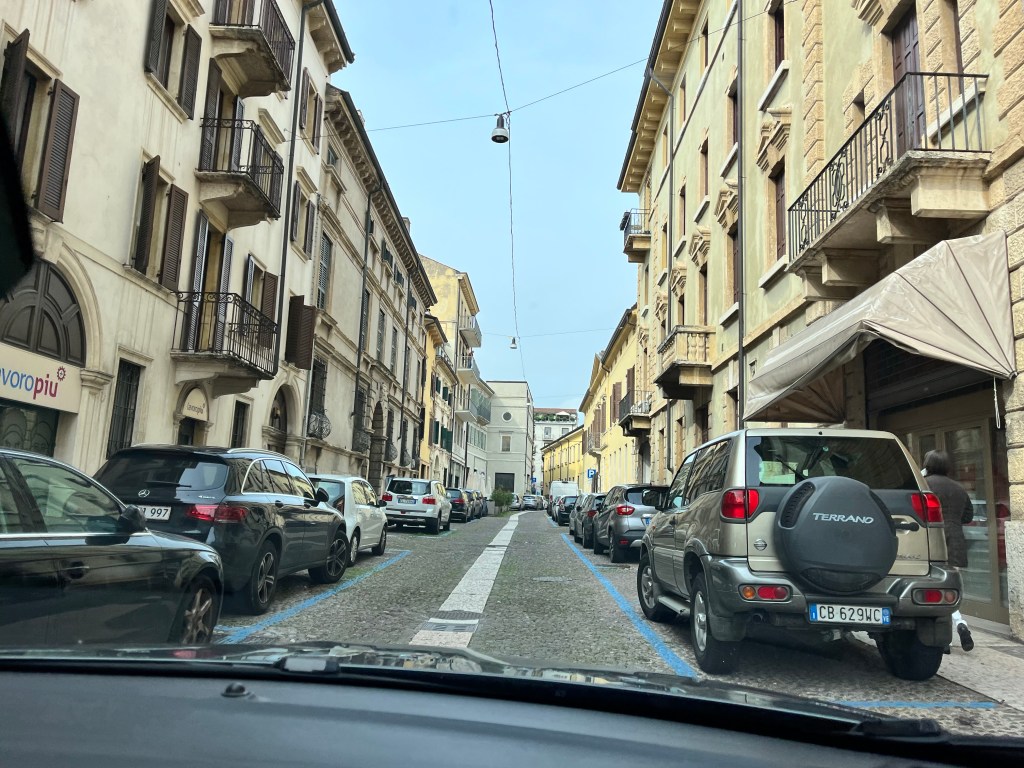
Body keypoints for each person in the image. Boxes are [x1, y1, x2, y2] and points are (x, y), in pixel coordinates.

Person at [923, 450, 975, 652]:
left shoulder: (924, 484)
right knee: (951, 587)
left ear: (927, 464)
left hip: (931, 540)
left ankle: (946, 637)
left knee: (934, 589)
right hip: (955, 541)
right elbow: (968, 516)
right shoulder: (958, 488)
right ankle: (960, 623)